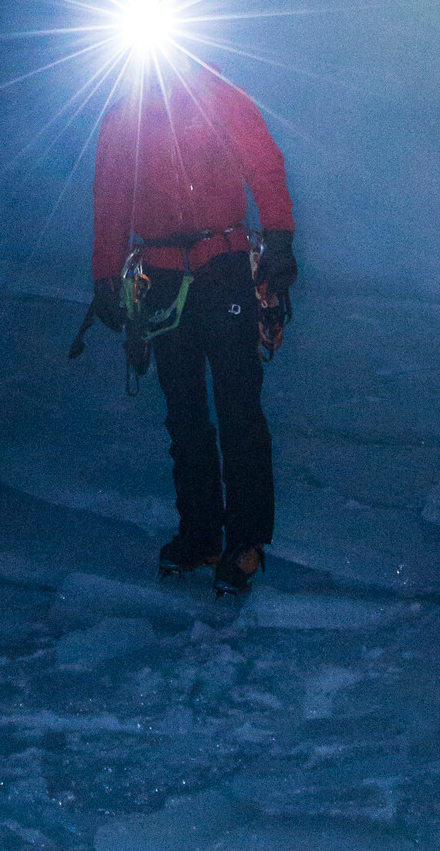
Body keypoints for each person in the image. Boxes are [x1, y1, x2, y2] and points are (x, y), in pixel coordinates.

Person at [86, 59, 295, 600]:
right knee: (185, 413)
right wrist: (106, 275)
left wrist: (279, 237)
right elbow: (109, 195)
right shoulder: (123, 118)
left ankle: (245, 540)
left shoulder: (218, 96)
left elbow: (262, 162)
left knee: (237, 408)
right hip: (160, 280)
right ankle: (201, 535)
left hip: (222, 271)